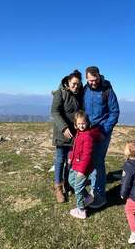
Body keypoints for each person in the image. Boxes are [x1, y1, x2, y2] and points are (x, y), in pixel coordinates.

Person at [84, 66, 120, 208]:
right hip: (87, 131)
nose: (93, 82)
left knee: (98, 162)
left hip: (102, 131)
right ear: (86, 79)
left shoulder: (107, 90)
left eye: (95, 79)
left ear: (100, 76)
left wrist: (104, 131)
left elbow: (114, 112)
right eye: (90, 80)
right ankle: (94, 189)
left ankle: (100, 196)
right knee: (90, 160)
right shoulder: (85, 90)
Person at [51, 70, 83, 203]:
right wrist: (64, 127)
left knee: (70, 161)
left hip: (75, 134)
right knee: (60, 160)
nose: (76, 87)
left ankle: (67, 184)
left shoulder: (80, 94)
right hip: (61, 132)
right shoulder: (60, 93)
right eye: (73, 84)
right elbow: (54, 111)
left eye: (78, 84)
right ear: (68, 82)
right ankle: (58, 188)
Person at [68, 110, 102, 219]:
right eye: (79, 124)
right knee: (71, 181)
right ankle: (88, 197)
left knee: (78, 188)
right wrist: (70, 157)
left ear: (87, 123)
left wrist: (82, 171)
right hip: (75, 164)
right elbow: (76, 148)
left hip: (82, 167)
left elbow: (87, 156)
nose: (81, 126)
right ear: (75, 124)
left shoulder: (87, 137)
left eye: (83, 123)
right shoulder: (78, 134)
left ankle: (81, 209)